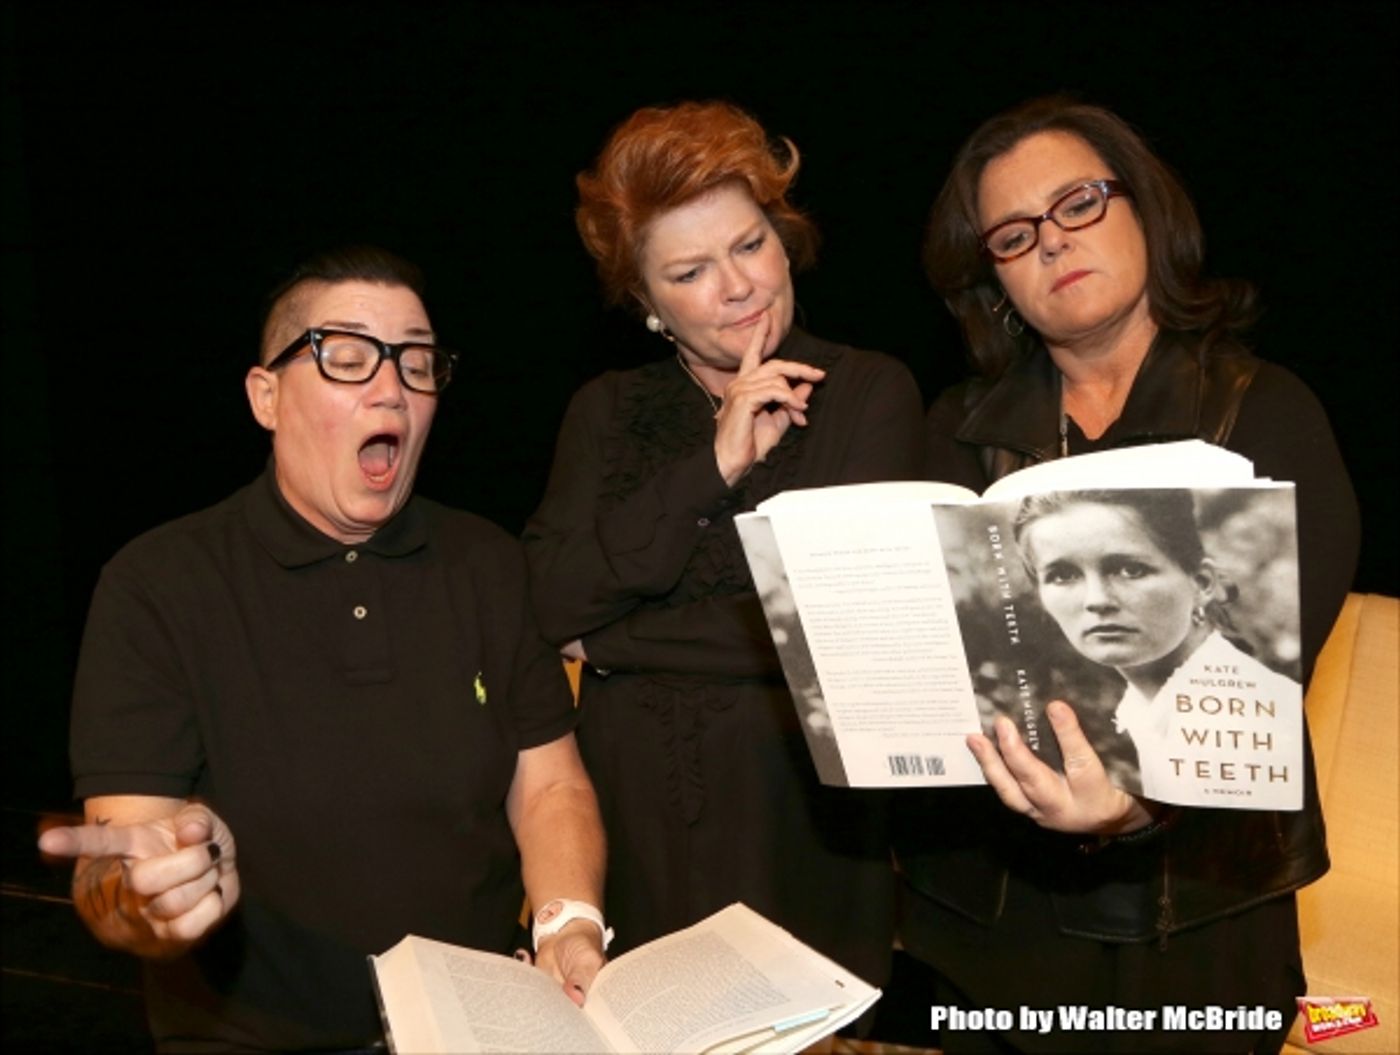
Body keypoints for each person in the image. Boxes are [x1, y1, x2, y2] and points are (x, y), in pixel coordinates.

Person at [37, 246, 608, 1053]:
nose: (391, 387)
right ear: (265, 396)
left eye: (416, 361)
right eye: (345, 358)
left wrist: (566, 925)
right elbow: (127, 854)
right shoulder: (158, 582)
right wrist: (150, 899)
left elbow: (550, 782)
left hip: (474, 1025)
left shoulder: (486, 560)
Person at [895, 97, 1359, 1054]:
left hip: (1198, 910)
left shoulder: (1263, 411)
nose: (1053, 243)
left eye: (1079, 204)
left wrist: (1141, 794)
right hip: (995, 914)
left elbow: (1269, 658)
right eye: (1015, 235)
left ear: (1143, 207)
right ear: (994, 278)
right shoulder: (956, 427)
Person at [522, 101, 924, 991]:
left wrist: (615, 640)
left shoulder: (868, 393)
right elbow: (547, 603)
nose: (736, 286)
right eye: (691, 270)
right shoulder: (606, 411)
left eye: (749, 245)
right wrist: (715, 463)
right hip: (631, 843)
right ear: (647, 303)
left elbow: (837, 631)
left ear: (784, 239)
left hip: (804, 834)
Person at [1013, 488, 1302, 801]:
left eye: (1130, 570)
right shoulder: (1148, 706)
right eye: (1063, 575)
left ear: (1202, 584)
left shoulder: (1251, 720)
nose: (1096, 600)